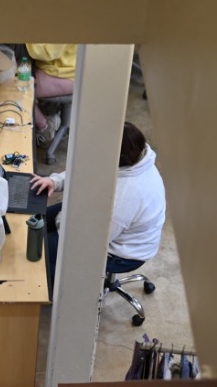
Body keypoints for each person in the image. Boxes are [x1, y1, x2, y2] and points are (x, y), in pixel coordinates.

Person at [31, 121, 166, 291]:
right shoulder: (136, 157)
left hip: (122, 252)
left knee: (41, 248)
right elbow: (88, 169)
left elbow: (89, 239)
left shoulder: (126, 196)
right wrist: (54, 181)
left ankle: (49, 293)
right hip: (101, 217)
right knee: (35, 218)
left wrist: (64, 216)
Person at [27, 44, 77, 147]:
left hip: (68, 74)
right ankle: (49, 110)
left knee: (17, 84)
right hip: (62, 65)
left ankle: (44, 127)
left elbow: (47, 52)